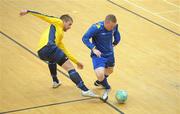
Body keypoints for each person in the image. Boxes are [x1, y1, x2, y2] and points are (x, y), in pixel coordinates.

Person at [20, 10, 97, 97]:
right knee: (70, 68)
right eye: (69, 24)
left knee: (52, 59)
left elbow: (65, 51)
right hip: (50, 47)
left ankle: (55, 81)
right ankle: (85, 90)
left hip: (41, 52)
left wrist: (76, 62)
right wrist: (28, 11)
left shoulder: (59, 36)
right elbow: (44, 16)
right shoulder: (58, 22)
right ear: (64, 21)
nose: (70, 27)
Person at [82, 14, 121, 99]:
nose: (112, 28)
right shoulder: (96, 28)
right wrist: (93, 48)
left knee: (110, 71)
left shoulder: (114, 26)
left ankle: (101, 81)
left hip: (110, 54)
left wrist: (115, 43)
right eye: (111, 27)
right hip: (98, 54)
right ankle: (106, 86)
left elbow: (117, 34)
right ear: (106, 23)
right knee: (100, 74)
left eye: (113, 26)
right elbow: (85, 38)